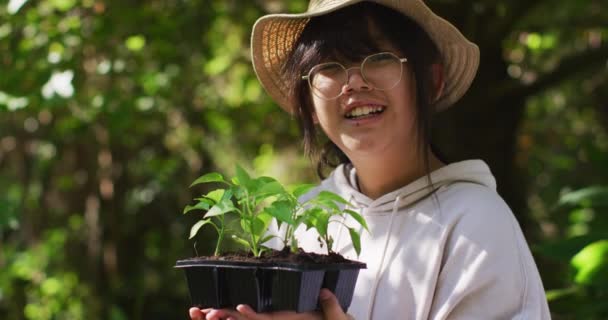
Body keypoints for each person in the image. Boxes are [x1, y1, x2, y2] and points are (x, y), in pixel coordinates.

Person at [190, 0, 552, 319]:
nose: (352, 83)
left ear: (431, 81)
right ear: (308, 103)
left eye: (377, 58)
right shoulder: (296, 221)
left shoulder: (476, 224)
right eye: (328, 67)